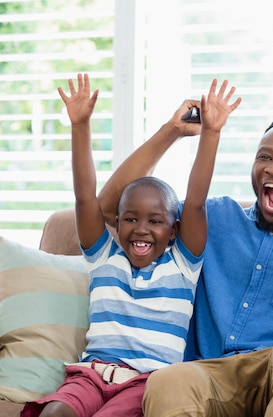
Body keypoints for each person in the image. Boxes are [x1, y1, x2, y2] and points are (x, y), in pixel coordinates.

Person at [95, 99, 273, 415]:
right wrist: (171, 131)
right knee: (166, 381)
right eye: (265, 157)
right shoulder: (214, 218)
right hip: (206, 376)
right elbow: (111, 209)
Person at [21, 74, 241, 417]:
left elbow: (195, 201)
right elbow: (85, 198)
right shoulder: (105, 256)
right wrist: (80, 126)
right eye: (130, 219)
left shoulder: (183, 265)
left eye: (155, 221)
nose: (141, 230)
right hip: (91, 376)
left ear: (174, 230)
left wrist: (211, 133)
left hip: (146, 383)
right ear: (117, 222)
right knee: (54, 413)